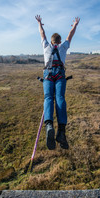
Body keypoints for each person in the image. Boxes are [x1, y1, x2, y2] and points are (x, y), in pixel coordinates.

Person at [35, 15, 80, 150]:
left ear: (51, 40)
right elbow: (70, 35)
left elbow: (42, 34)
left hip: (48, 75)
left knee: (48, 98)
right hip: (60, 75)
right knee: (60, 98)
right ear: (59, 42)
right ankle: (61, 131)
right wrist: (75, 25)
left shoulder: (46, 46)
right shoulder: (63, 47)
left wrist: (39, 24)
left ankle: (49, 125)